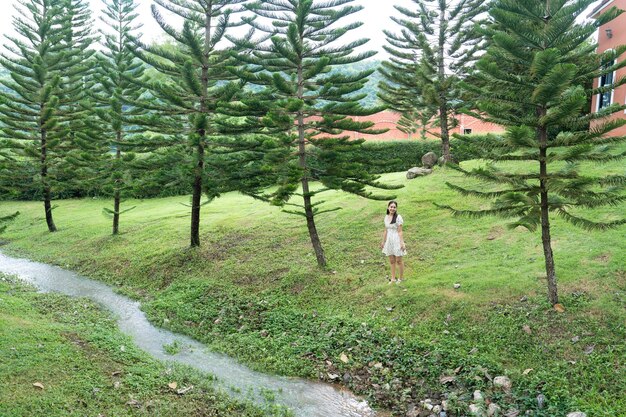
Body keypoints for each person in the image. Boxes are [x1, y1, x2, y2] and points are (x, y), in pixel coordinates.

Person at [380, 200, 406, 284]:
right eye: (391, 207)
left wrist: (402, 243)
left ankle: (401, 279)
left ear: (396, 208)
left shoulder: (398, 217)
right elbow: (385, 230)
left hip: (396, 239)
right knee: (391, 260)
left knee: (399, 260)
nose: (392, 208)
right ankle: (393, 278)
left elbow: (400, 231)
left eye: (394, 207)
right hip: (389, 240)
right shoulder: (386, 217)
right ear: (388, 207)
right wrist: (383, 241)